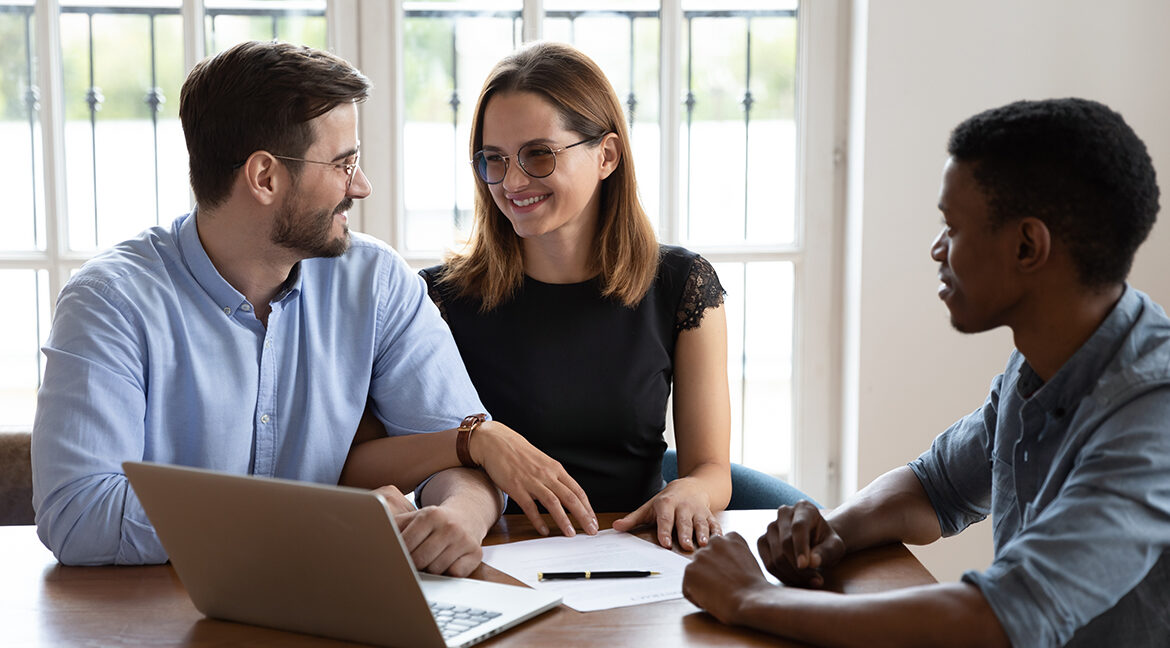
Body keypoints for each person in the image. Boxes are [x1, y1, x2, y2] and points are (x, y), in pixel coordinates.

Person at [682, 97, 1170, 647]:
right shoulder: (1041, 361)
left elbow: (1000, 618)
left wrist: (753, 598)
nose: (937, 249)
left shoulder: (1153, 415)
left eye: (952, 227)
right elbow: (935, 486)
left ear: (1027, 245)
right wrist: (833, 531)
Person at [31, 40, 516, 576]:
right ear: (264, 178)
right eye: (343, 163)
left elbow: (463, 452)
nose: (362, 186)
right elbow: (78, 515)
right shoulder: (110, 302)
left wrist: (457, 520)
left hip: (341, 606)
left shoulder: (375, 282)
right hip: (166, 621)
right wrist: (319, 522)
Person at [417, 40, 737, 552]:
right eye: (493, 160)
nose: (512, 182)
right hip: (485, 560)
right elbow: (390, 457)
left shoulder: (682, 285)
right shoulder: (437, 299)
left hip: (632, 559)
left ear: (606, 154)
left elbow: (711, 468)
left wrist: (688, 492)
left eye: (538, 155)